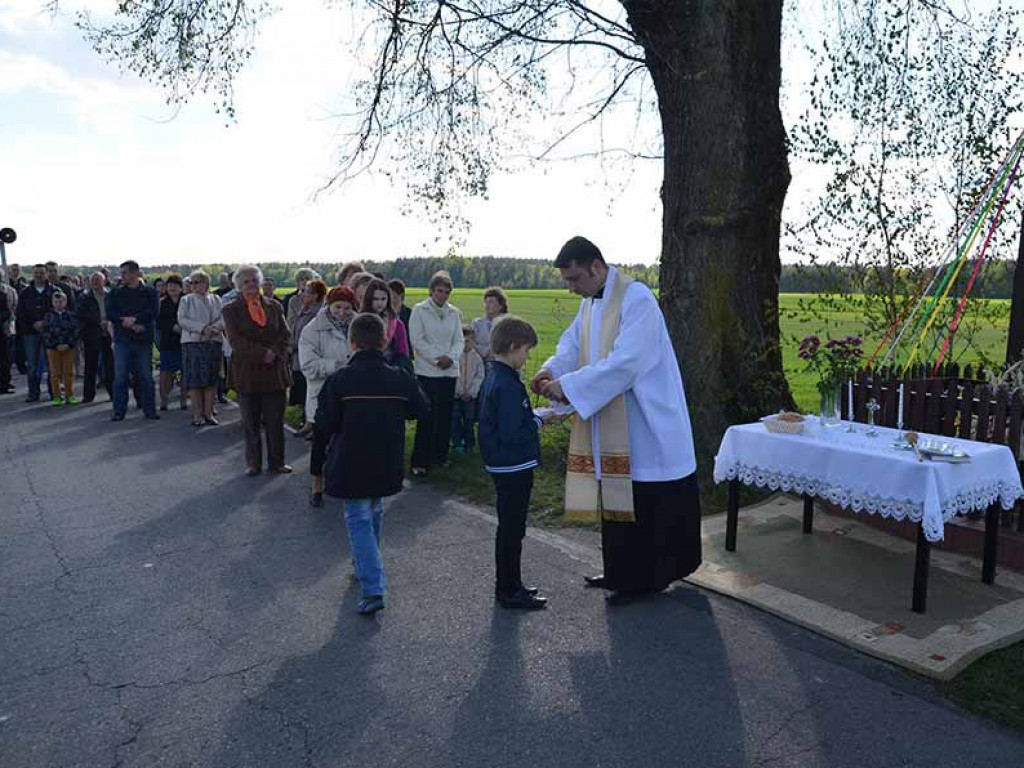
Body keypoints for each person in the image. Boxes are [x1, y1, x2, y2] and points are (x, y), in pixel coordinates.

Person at [532, 236, 702, 604]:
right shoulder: (591, 303)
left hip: (645, 419)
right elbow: (572, 345)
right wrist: (550, 370)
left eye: (575, 279)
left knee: (648, 501)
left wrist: (568, 387)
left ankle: (646, 580)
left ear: (596, 267)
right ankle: (621, 572)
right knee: (617, 497)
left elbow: (629, 363)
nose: (572, 288)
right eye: (567, 281)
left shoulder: (637, 298)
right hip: (613, 419)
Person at [316, 312, 429, 615]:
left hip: (351, 459)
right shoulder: (399, 377)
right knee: (375, 509)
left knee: (358, 517)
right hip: (386, 456)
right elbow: (420, 408)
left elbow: (326, 421)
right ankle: (366, 561)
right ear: (384, 341)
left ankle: (373, 586)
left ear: (352, 343)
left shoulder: (340, 379)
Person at [478, 315, 553, 610]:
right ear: (511, 347)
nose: (528, 357)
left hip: (503, 462)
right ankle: (509, 590)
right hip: (513, 464)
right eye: (526, 350)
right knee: (512, 529)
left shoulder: (496, 375)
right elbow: (512, 432)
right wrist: (540, 420)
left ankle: (511, 584)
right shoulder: (507, 384)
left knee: (510, 527)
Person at [222, 265, 293, 476]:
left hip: (275, 372)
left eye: (254, 280)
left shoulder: (275, 306)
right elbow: (235, 340)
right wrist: (263, 353)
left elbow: (285, 333)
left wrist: (273, 351)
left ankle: (277, 462)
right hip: (247, 373)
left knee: (275, 421)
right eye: (246, 282)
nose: (251, 284)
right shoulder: (230, 310)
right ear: (238, 286)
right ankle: (254, 463)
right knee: (251, 422)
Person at [300, 285, 356, 506]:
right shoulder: (313, 330)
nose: (342, 312)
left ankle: (347, 482)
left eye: (347, 308)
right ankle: (317, 486)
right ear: (329, 305)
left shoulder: (357, 325)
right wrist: (339, 366)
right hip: (324, 395)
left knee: (348, 442)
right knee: (320, 444)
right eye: (338, 307)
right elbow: (309, 366)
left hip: (351, 396)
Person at [408, 271, 464, 477]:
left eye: (447, 292)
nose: (443, 296)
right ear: (431, 291)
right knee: (427, 416)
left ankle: (440, 456)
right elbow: (417, 340)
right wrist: (436, 358)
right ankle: (420, 461)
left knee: (445, 417)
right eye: (439, 291)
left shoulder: (454, 313)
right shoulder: (419, 310)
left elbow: (459, 340)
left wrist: (451, 357)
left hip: (449, 371)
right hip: (427, 371)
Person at [106, 260, 160, 421]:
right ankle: (119, 411)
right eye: (121, 273)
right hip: (123, 339)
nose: (121, 276)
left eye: (125, 272)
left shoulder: (150, 292)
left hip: (143, 339)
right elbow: (110, 313)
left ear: (135, 273)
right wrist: (126, 322)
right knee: (120, 376)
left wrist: (136, 320)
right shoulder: (115, 293)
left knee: (146, 376)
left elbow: (153, 312)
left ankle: (150, 410)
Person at [177, 270, 224, 427]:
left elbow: (223, 317)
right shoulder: (186, 300)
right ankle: (197, 414)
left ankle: (209, 413)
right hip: (193, 343)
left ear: (206, 283)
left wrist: (213, 329)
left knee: (211, 380)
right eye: (191, 282)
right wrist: (202, 328)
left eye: (197, 282)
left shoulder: (216, 299)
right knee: (195, 381)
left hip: (213, 342)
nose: (194, 285)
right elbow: (182, 319)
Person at [288, 278, 327, 437]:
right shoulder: (304, 309)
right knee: (304, 390)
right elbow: (294, 328)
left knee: (312, 391)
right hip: (299, 355)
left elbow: (309, 335)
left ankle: (313, 424)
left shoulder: (319, 312)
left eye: (308, 292)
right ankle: (307, 422)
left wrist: (294, 346)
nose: (304, 294)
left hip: (309, 355)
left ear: (317, 295)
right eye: (304, 291)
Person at [17, 264, 57, 402]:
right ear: (32, 274)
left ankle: (54, 392)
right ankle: (33, 393)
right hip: (31, 332)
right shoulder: (25, 293)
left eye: (41, 273)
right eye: (36, 273)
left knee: (52, 364)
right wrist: (33, 324)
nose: (39, 275)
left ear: (46, 274)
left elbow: (59, 310)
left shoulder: (54, 291)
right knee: (32, 364)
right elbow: (20, 314)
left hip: (50, 332)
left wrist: (46, 323)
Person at [77, 272, 114, 403]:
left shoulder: (111, 295)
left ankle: (113, 393)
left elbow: (116, 310)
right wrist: (99, 321)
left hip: (109, 333)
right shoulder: (84, 297)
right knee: (90, 366)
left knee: (110, 366)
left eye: (98, 280)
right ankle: (88, 395)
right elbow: (82, 313)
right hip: (92, 333)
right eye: (93, 280)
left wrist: (108, 322)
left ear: (104, 281)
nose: (95, 282)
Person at [361, 278, 410, 371]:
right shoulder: (359, 322)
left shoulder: (397, 324)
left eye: (383, 299)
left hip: (391, 372)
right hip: (365, 370)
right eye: (375, 299)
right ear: (368, 299)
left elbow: (403, 353)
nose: (380, 303)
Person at [41, 290, 79, 405]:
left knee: (68, 372)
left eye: (61, 301)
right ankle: (57, 396)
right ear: (52, 303)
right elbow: (46, 332)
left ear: (65, 302)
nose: (58, 304)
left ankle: (70, 395)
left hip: (68, 347)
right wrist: (56, 344)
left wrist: (69, 344)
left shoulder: (71, 315)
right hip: (53, 348)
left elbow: (75, 331)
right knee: (54, 373)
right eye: (56, 301)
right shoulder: (48, 316)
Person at [451, 324, 485, 454]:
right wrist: (458, 391)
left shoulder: (477, 358)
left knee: (469, 420)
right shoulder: (455, 356)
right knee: (455, 419)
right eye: (463, 341)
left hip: (470, 397)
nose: (466, 344)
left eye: (468, 341)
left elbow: (480, 376)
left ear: (473, 341)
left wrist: (471, 392)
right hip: (457, 395)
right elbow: (453, 374)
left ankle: (470, 443)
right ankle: (457, 443)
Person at [157, 275, 187, 411]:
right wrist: (172, 326)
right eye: (169, 286)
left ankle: (183, 399)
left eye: (175, 285)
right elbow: (159, 321)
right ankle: (164, 400)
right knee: (166, 372)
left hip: (185, 340)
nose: (172, 288)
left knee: (185, 371)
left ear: (181, 288)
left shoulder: (187, 301)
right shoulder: (161, 303)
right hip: (168, 341)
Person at [472, 287, 508, 366]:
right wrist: (486, 351)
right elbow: (472, 343)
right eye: (486, 302)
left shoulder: (507, 324)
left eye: (491, 302)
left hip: (501, 365)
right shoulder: (476, 323)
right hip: (480, 364)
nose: (487, 305)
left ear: (500, 305)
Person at [0, 268, 17, 394]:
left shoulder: (7, 292)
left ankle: (5, 384)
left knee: (6, 359)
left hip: (4, 330)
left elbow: (10, 310)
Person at [9, 264, 28, 375]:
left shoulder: (22, 285)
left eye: (17, 270)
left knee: (20, 342)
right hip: (9, 317)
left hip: (19, 317)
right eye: (13, 270)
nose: (15, 272)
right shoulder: (6, 284)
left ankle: (21, 364)